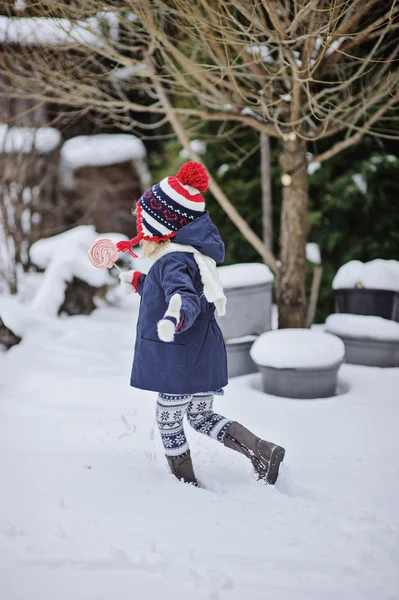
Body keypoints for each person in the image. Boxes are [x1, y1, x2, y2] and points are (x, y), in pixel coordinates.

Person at [117, 161, 285, 487]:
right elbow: (169, 287)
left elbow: (183, 296)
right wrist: (138, 281)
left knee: (169, 421)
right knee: (200, 416)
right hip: (202, 354)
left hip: (179, 360)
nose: (139, 233)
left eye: (143, 224)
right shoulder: (187, 255)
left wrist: (176, 316)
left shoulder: (172, 260)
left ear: (158, 228)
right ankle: (261, 450)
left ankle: (184, 484)